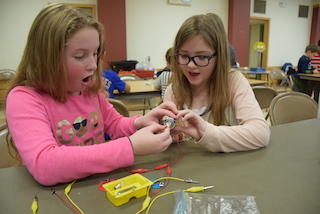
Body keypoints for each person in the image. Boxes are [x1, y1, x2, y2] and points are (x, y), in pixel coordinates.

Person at [5, 3, 179, 186]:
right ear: (48, 58)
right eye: (80, 56)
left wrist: (139, 122)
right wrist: (130, 147)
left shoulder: (89, 91)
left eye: (95, 53)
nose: (93, 65)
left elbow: (114, 123)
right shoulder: (24, 99)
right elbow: (44, 165)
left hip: (93, 187)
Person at [163, 13, 270, 152]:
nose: (190, 65)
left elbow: (260, 134)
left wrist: (207, 132)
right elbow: (171, 134)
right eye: (184, 55)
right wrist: (170, 136)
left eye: (201, 57)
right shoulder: (173, 90)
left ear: (219, 56)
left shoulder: (233, 81)